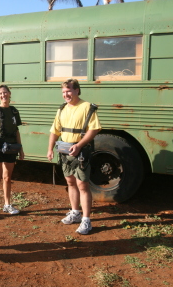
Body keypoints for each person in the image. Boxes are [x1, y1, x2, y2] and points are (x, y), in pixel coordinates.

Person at [47, 79, 102, 235]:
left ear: (77, 90)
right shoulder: (62, 109)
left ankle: (86, 220)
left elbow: (94, 130)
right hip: (65, 152)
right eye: (64, 92)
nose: (66, 94)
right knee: (70, 182)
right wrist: (50, 148)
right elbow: (55, 131)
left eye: (69, 91)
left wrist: (78, 145)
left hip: (81, 152)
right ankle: (75, 212)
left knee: (83, 185)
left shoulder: (87, 107)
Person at [0, 84, 24, 219]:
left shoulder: (14, 111)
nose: (3, 95)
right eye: (1, 93)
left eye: (5, 93)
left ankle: (7, 204)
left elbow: (17, 131)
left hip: (11, 148)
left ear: (9, 93)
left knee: (7, 178)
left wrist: (21, 149)